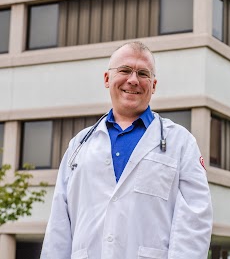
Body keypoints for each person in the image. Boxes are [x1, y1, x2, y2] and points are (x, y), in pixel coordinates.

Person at [40, 41, 213, 259]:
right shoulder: (79, 145)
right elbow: (58, 225)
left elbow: (195, 222)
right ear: (106, 79)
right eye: (124, 70)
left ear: (154, 85)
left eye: (143, 73)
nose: (133, 80)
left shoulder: (181, 143)